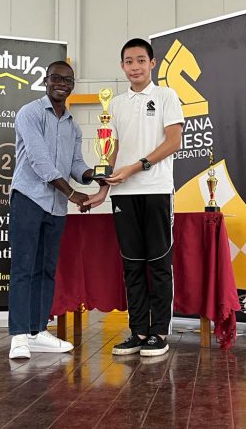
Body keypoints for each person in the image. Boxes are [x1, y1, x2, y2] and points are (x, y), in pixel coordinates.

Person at [84, 38, 184, 357]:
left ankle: (159, 333)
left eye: (141, 60)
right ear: (122, 66)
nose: (135, 67)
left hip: (155, 190)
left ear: (152, 64)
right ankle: (139, 331)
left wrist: (137, 167)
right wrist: (103, 189)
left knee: (158, 264)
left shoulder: (167, 96)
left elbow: (174, 142)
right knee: (132, 266)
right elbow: (110, 152)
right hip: (123, 195)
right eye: (129, 61)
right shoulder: (115, 104)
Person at [8, 60, 94, 360]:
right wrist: (73, 193)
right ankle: (18, 336)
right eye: (56, 78)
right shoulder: (30, 113)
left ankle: (37, 331)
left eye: (67, 79)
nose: (61, 83)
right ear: (46, 81)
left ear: (72, 85)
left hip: (56, 207)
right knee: (23, 268)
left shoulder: (73, 125)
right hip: (29, 198)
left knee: (46, 270)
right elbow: (39, 160)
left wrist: (95, 175)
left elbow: (75, 165)